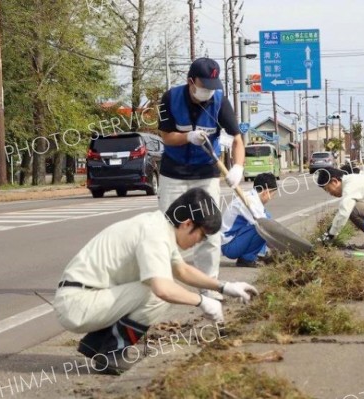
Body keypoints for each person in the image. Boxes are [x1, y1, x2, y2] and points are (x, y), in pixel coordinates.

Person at [53, 188, 258, 375]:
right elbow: (162, 289)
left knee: (159, 286)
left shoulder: (159, 227)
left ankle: (97, 345)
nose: (200, 242)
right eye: (202, 236)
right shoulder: (155, 235)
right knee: (155, 293)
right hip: (77, 303)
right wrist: (202, 302)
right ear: (187, 224)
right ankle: (111, 354)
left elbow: (182, 270)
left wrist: (225, 287)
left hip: (87, 297)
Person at [157, 57, 245, 301]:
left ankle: (209, 286)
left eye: (212, 85)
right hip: (173, 172)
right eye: (203, 85)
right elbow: (166, 136)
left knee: (209, 230)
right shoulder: (169, 99)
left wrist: (238, 166)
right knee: (167, 228)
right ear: (190, 81)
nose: (208, 90)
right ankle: (161, 285)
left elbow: (237, 138)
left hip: (206, 172)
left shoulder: (219, 100)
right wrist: (187, 137)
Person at [316, 167, 364, 250]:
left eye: (328, 189)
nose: (330, 193)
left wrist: (331, 235)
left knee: (352, 208)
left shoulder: (350, 185)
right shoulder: (354, 178)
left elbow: (344, 212)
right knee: (352, 206)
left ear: (335, 181)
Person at [221, 173, 277, 267]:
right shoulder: (250, 202)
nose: (271, 198)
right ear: (266, 192)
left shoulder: (251, 197)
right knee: (262, 227)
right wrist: (281, 248)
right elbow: (267, 231)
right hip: (229, 246)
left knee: (266, 216)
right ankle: (247, 259)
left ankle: (258, 255)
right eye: (272, 194)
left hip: (235, 240)